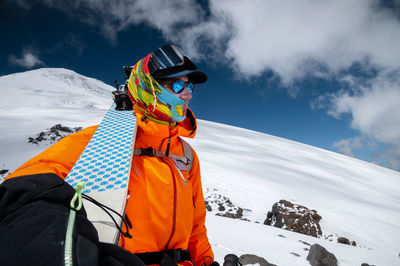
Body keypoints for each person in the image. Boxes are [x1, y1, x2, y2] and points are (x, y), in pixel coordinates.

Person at [5, 44, 215, 266]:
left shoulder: (186, 155)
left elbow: (196, 226)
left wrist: (207, 261)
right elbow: (25, 189)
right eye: (177, 84)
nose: (187, 94)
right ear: (148, 87)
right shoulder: (101, 139)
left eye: (188, 85)